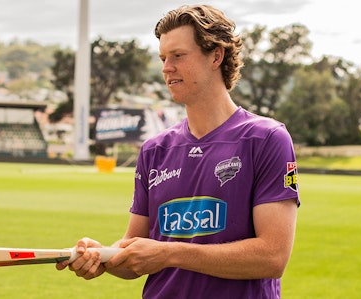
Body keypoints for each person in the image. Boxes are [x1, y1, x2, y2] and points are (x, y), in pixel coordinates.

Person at [57, 4, 300, 298]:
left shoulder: (266, 138)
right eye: (163, 58)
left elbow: (272, 257)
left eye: (178, 56)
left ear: (216, 56)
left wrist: (170, 253)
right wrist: (103, 258)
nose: (166, 68)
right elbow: (135, 254)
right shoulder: (154, 150)